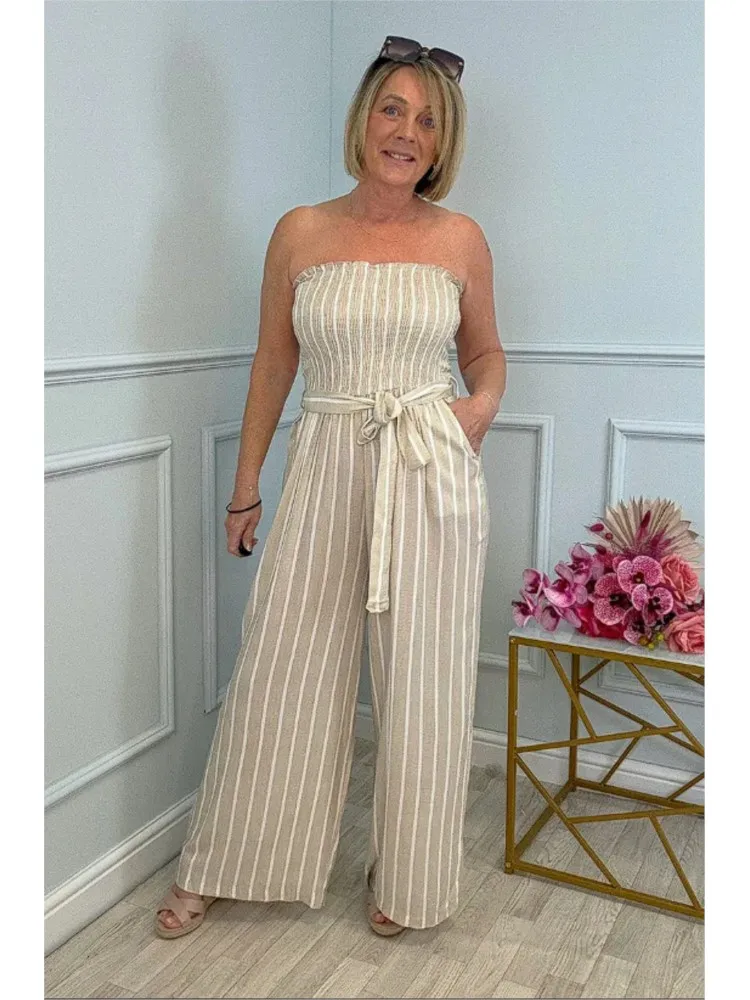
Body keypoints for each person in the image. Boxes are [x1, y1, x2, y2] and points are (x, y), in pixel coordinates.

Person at [155, 35, 506, 940]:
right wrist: (245, 489)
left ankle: (411, 877)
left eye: (428, 120)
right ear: (363, 119)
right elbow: (275, 363)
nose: (407, 131)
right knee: (284, 661)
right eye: (393, 108)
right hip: (325, 455)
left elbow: (484, 353)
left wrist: (480, 408)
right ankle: (225, 860)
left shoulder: (461, 239)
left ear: (443, 142)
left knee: (424, 677)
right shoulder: (301, 231)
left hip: (427, 462)